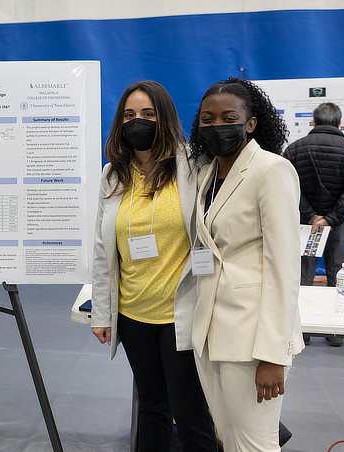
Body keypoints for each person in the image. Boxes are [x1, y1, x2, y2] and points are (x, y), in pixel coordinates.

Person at [90, 81, 217, 451]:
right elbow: (102, 248)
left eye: (148, 114)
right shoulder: (112, 174)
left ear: (164, 118)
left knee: (190, 411)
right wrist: (102, 312)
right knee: (151, 406)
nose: (138, 121)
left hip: (182, 312)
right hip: (133, 313)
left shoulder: (194, 165)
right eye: (129, 115)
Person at [190, 77, 304, 452]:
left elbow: (283, 268)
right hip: (210, 331)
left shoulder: (271, 170)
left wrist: (273, 355)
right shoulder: (206, 174)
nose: (216, 126)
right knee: (228, 437)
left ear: (250, 123)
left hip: (252, 339)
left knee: (256, 444)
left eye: (228, 118)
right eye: (207, 119)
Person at [283, 102, 344, 347]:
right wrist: (331, 218)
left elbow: (289, 188)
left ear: (312, 122)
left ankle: (301, 330)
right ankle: (336, 333)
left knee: (302, 277)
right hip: (341, 224)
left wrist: (313, 217)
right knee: (338, 276)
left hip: (305, 225)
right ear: (339, 123)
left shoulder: (294, 149)